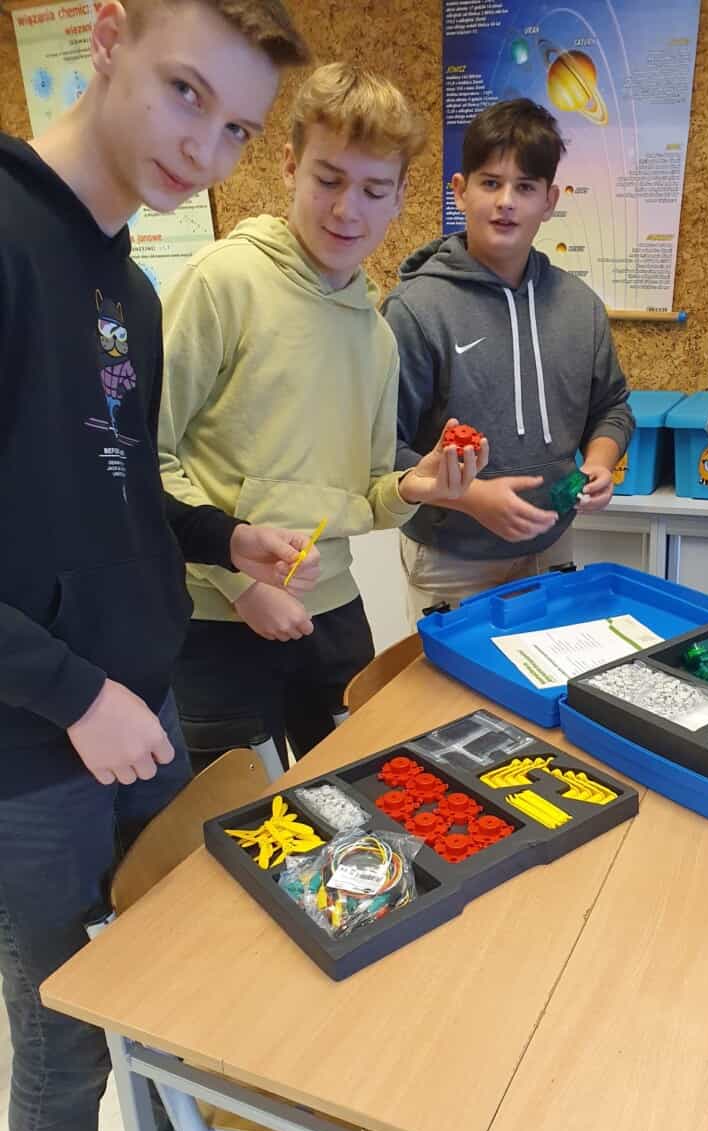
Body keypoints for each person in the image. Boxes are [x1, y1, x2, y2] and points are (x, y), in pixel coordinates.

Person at [0, 2, 331, 1131]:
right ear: (107, 37)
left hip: (142, 713)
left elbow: (118, 488)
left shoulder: (131, 292)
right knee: (66, 1045)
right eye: (186, 91)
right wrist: (74, 696)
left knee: (173, 996)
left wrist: (221, 538)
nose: (205, 149)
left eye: (238, 126)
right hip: (32, 749)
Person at [158, 62, 488, 771]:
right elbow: (143, 460)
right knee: (237, 813)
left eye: (372, 190)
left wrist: (415, 486)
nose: (346, 211)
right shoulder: (223, 283)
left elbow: (363, 493)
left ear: (400, 197)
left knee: (355, 791)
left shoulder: (374, 333)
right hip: (216, 618)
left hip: (332, 611)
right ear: (289, 165)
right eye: (328, 179)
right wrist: (240, 586)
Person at [382, 98, 634, 621]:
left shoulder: (580, 307)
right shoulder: (416, 308)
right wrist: (471, 497)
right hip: (451, 562)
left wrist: (599, 462)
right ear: (460, 191)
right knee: (451, 679)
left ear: (550, 200)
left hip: (553, 550)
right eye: (491, 183)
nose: (506, 202)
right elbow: (382, 449)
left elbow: (612, 407)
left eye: (525, 187)